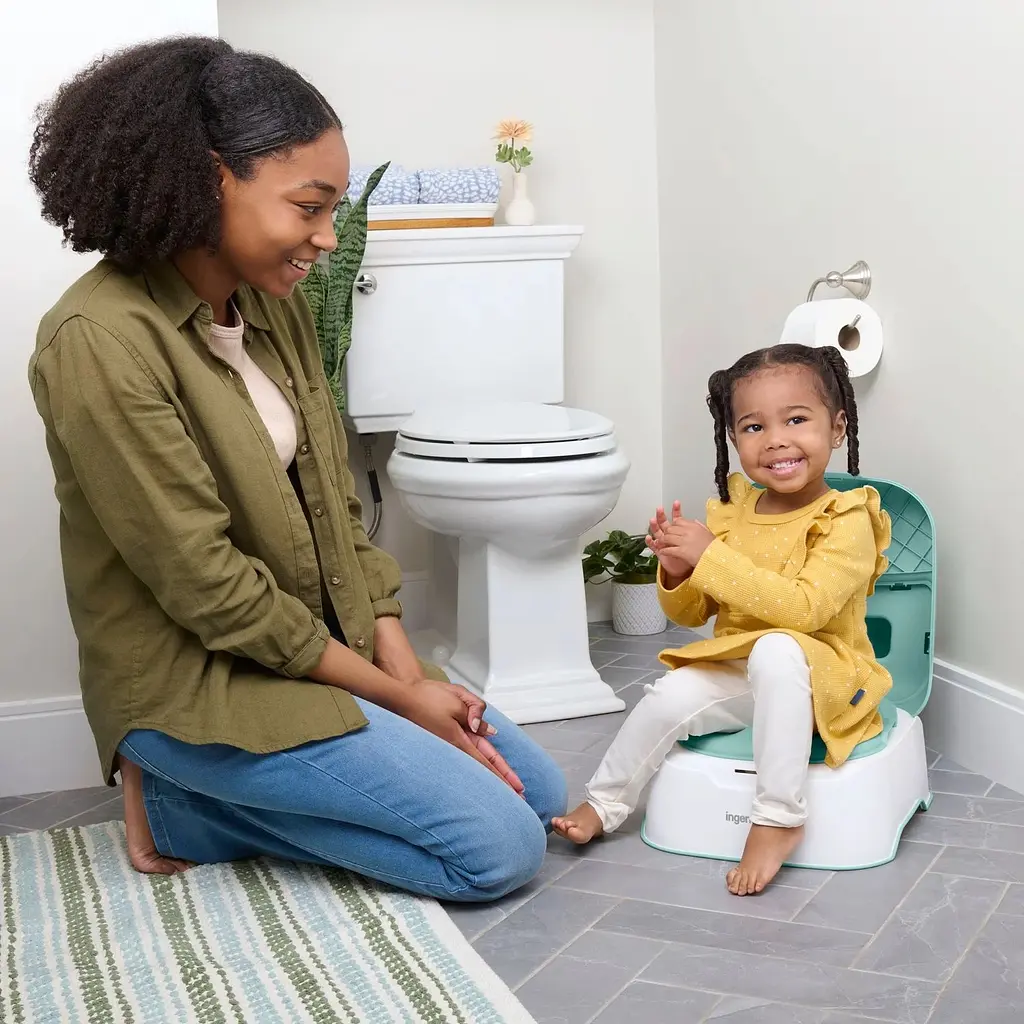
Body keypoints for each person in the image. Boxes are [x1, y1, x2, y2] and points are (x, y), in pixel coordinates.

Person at [27, 35, 566, 902]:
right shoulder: (97, 342)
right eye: (309, 207)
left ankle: (225, 802)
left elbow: (335, 508)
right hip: (199, 682)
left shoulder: (269, 308)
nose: (326, 236)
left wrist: (402, 669)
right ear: (211, 180)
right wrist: (400, 699)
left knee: (541, 795)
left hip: (308, 649)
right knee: (498, 853)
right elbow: (211, 592)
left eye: (335, 209)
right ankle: (181, 804)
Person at [554, 344, 892, 895]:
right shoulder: (734, 513)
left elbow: (802, 612)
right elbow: (692, 614)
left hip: (824, 679)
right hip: (747, 673)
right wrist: (677, 571)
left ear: (837, 429)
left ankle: (779, 818)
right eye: (754, 427)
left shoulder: (846, 519)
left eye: (797, 420)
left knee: (778, 649)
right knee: (669, 695)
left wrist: (710, 556)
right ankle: (606, 802)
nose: (776, 439)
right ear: (735, 440)